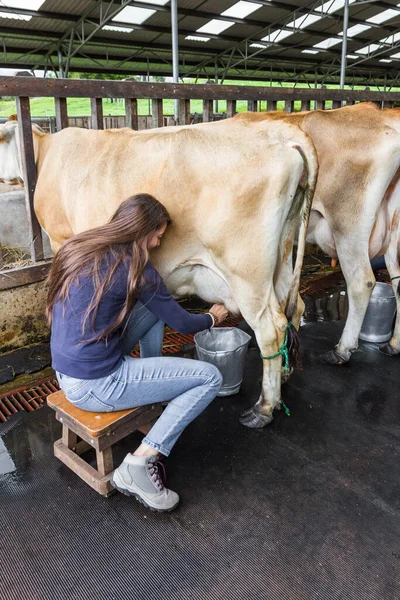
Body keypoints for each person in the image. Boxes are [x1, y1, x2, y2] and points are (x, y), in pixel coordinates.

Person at [46, 193, 228, 512]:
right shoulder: (137, 269)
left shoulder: (79, 246)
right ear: (144, 231)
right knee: (210, 378)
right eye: (158, 236)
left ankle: (149, 386)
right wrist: (213, 317)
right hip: (96, 385)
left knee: (153, 309)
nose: (158, 244)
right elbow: (184, 323)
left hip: (67, 368)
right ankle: (140, 465)